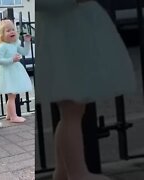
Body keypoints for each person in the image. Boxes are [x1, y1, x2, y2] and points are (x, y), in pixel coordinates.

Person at [37, 0, 137, 180]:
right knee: (72, 111)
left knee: (71, 112)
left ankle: (64, 172)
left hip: (66, 34)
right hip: (65, 37)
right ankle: (77, 173)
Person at [0, 19, 33, 123]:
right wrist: (11, 59)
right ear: (1, 35)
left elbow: (25, 52)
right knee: (11, 95)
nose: (12, 32)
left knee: (12, 95)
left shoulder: (15, 44)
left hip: (13, 71)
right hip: (6, 73)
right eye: (8, 30)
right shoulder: (2, 46)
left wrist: (27, 42)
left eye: (13, 29)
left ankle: (9, 115)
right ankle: (14, 117)